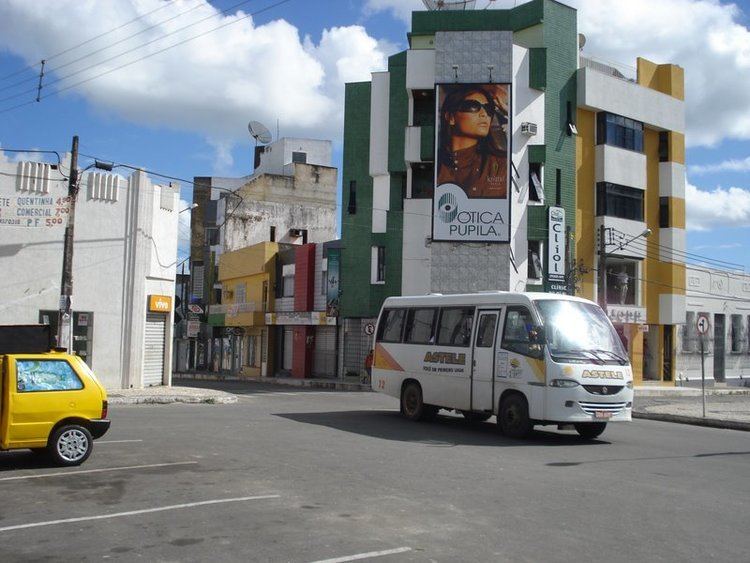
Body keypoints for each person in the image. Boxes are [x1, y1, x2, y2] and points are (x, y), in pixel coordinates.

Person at [436, 84, 508, 199]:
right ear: (451, 117)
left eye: (489, 108)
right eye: (473, 106)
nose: (484, 114)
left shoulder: (502, 164)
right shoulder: (434, 163)